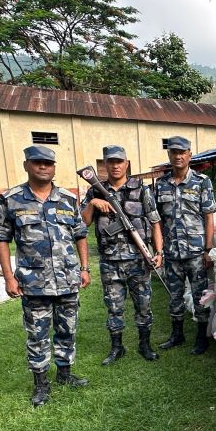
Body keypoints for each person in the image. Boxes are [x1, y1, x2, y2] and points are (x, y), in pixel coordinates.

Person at [0, 145, 91, 407]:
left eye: (48, 163)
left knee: (67, 329)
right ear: (26, 165)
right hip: (33, 282)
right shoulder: (11, 199)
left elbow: (80, 234)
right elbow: (2, 239)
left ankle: (65, 374)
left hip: (67, 279)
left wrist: (84, 268)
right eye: (37, 162)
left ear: (54, 167)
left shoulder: (68, 199)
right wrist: (9, 277)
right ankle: (41, 384)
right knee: (37, 334)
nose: (43, 167)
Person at [80, 145, 164, 363]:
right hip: (110, 261)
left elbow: (155, 222)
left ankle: (145, 345)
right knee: (114, 307)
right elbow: (84, 222)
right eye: (111, 162)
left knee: (143, 306)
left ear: (126, 164)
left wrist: (159, 252)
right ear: (105, 165)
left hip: (138, 260)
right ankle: (117, 348)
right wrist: (92, 203)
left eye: (119, 161)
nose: (116, 166)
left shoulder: (141, 189)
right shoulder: (94, 190)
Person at [153, 136, 216, 355]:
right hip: (172, 252)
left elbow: (209, 217)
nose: (178, 156)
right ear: (169, 155)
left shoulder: (202, 181)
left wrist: (208, 249)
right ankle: (177, 334)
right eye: (174, 152)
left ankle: (201, 337)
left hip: (196, 251)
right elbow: (157, 220)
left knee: (200, 295)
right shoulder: (161, 184)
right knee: (175, 295)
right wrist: (159, 250)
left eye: (182, 152)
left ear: (189, 155)